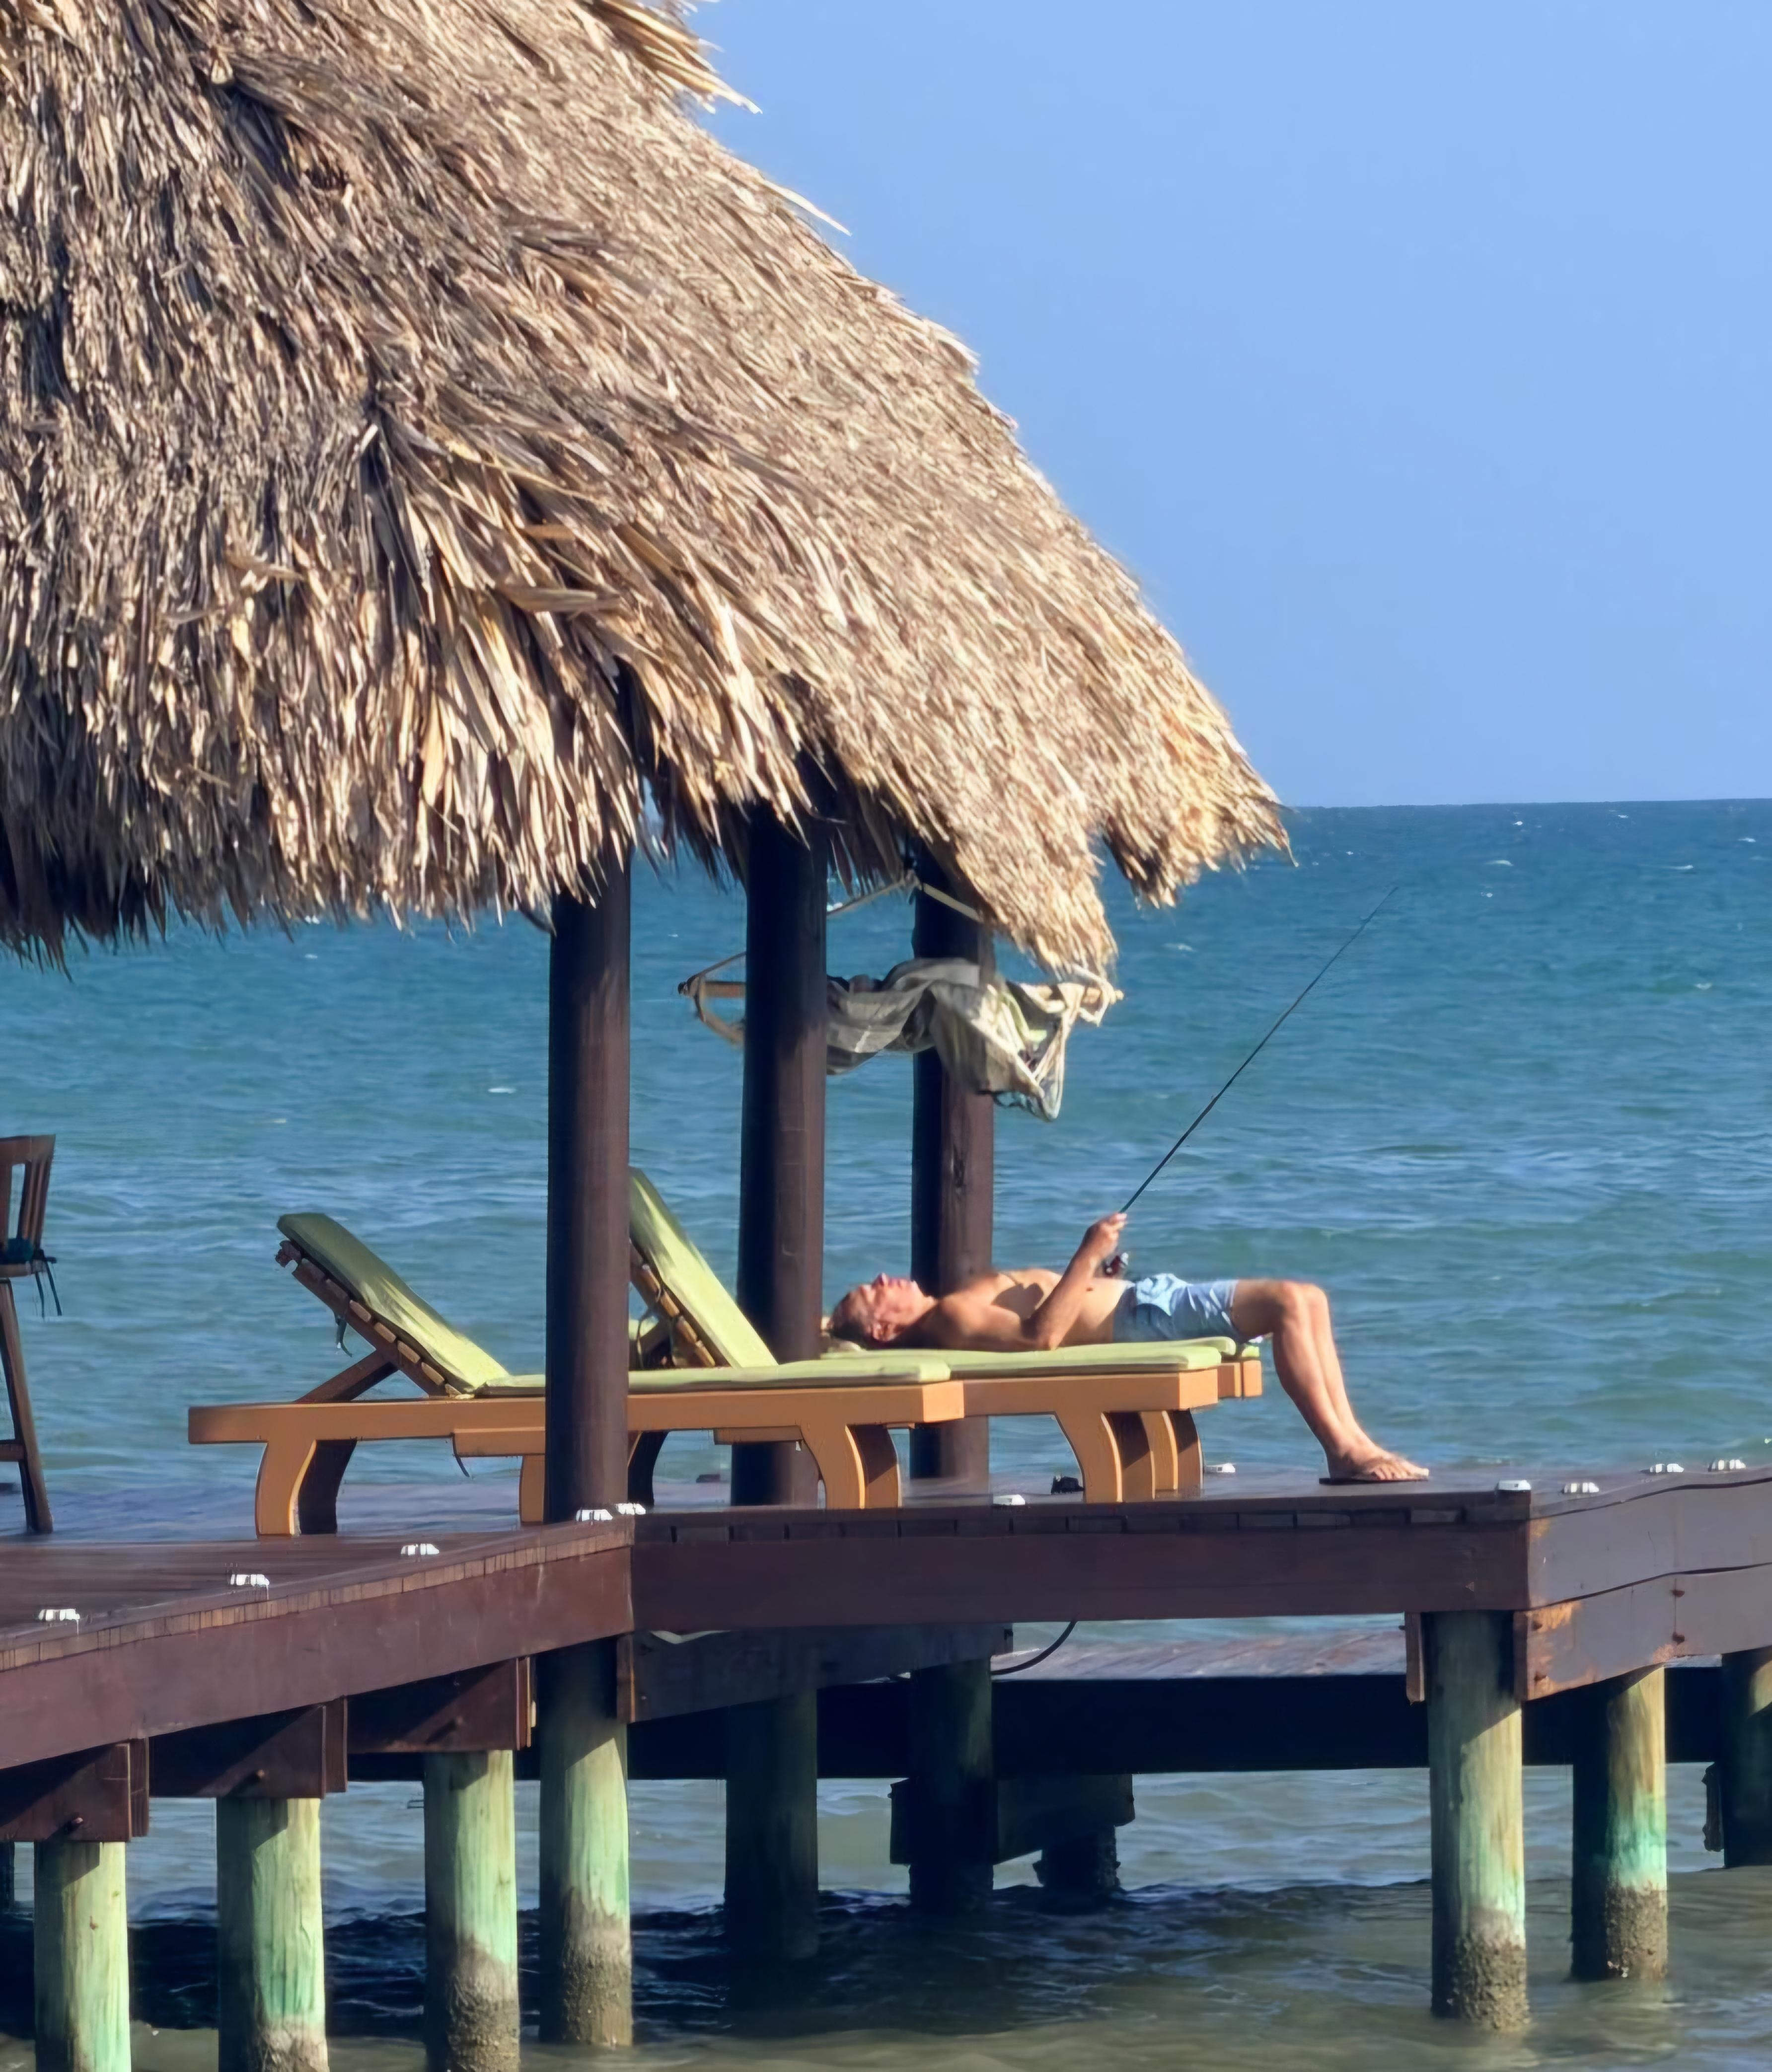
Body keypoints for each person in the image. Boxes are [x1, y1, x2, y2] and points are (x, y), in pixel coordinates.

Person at [827, 1212, 1425, 1484]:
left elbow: (1046, 1315)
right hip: (1142, 1318)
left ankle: (1354, 1442)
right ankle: (1343, 1449)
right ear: (885, 1332)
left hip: (1140, 1303)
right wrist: (1087, 1253)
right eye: (872, 1292)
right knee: (1291, 1301)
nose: (881, 1277)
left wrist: (1095, 1274)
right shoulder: (950, 1316)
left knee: (1307, 1298)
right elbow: (1040, 1338)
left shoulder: (951, 1310)